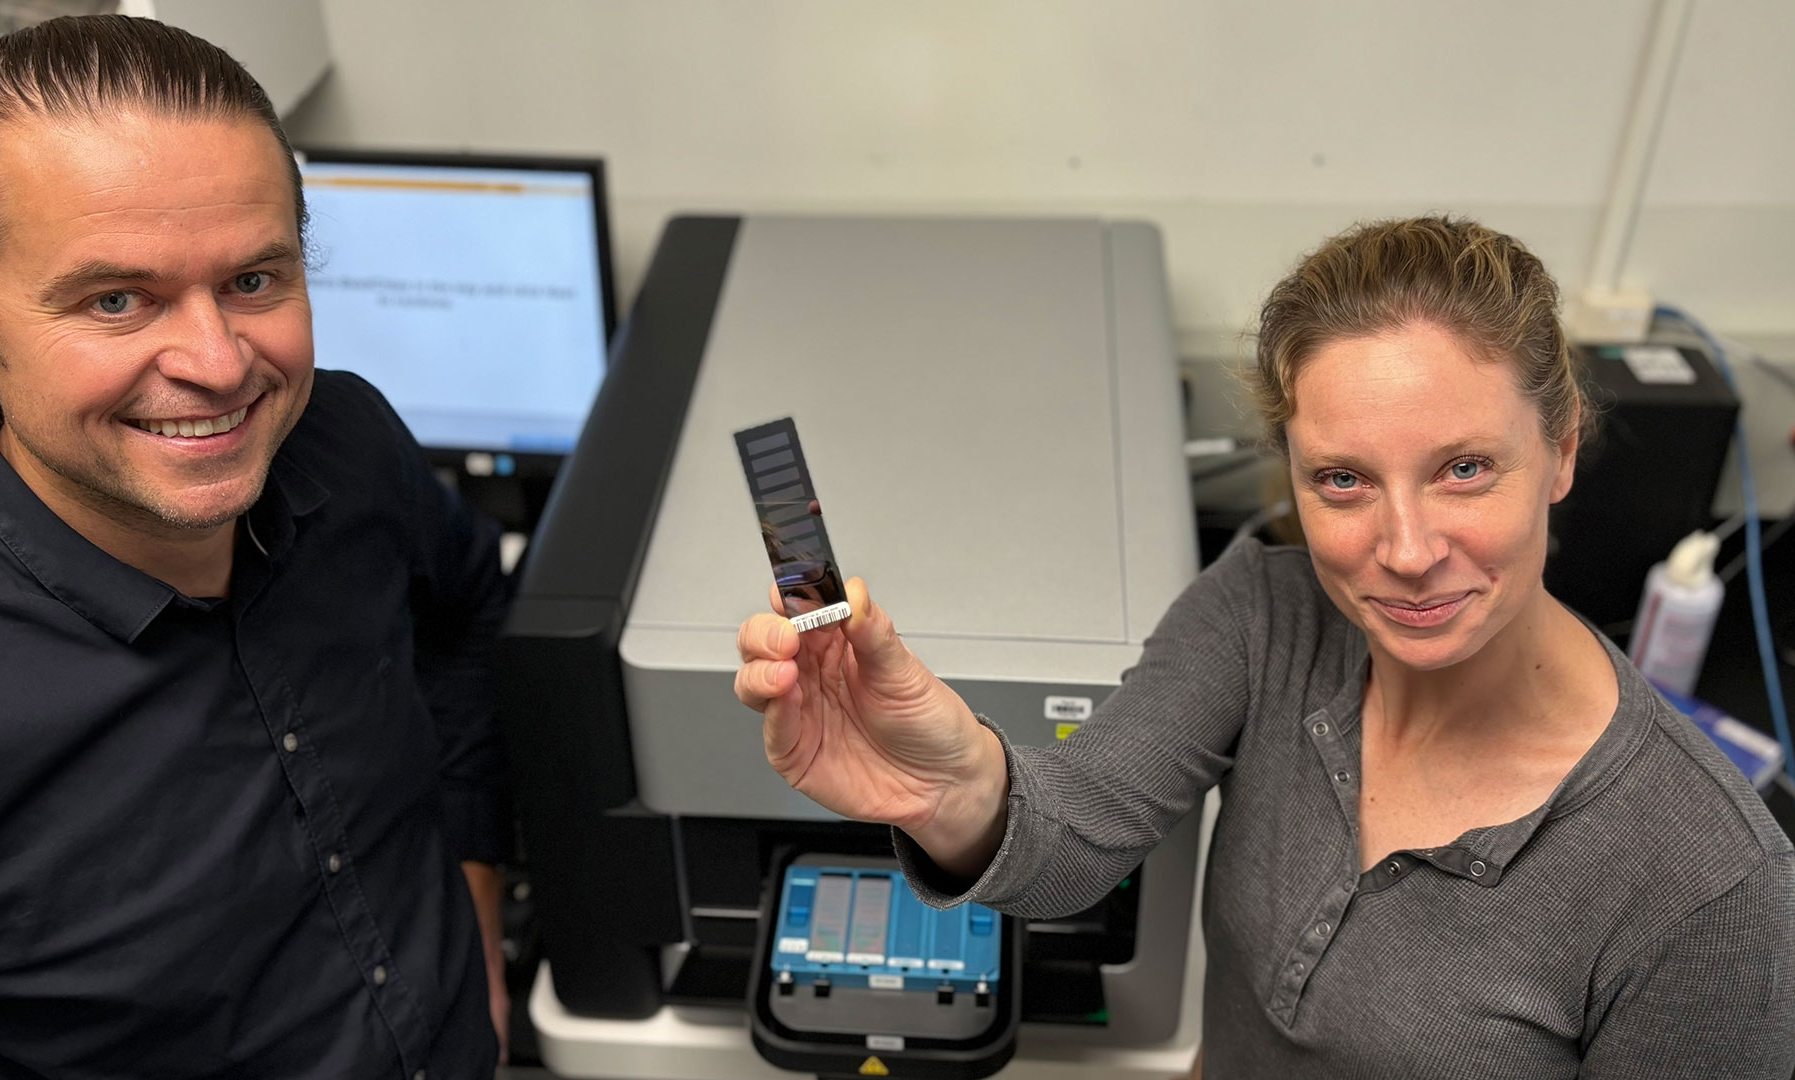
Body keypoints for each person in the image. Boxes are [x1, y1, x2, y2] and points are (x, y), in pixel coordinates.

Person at [735, 217, 1795, 1077]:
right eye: (1343, 479)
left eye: (1465, 469)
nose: (1409, 551)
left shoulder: (1710, 883)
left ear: (1560, 451)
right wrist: (946, 786)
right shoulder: (1266, 612)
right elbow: (1079, 837)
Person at [0, 16, 513, 1077]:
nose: (218, 366)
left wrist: (476, 915)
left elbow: (465, 619)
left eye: (255, 282)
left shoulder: (346, 443)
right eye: (116, 300)